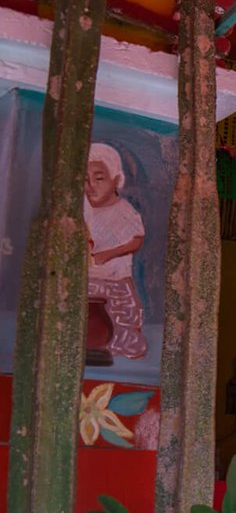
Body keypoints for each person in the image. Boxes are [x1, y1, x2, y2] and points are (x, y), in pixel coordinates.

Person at [84, 142, 147, 360]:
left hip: (116, 281)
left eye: (99, 178)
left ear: (117, 180)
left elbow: (137, 240)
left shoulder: (124, 211)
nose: (91, 185)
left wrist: (108, 254)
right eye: (85, 179)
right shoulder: (84, 211)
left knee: (120, 323)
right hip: (89, 281)